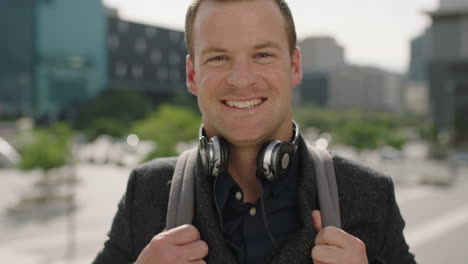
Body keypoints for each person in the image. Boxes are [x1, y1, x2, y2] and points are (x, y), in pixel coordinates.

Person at [93, 0, 416, 263]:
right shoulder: (146, 192)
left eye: (262, 55)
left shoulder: (370, 193)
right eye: (219, 57)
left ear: (295, 66)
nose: (241, 79)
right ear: (192, 75)